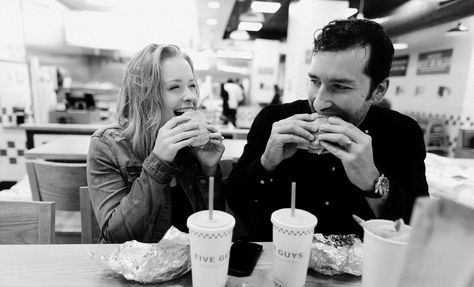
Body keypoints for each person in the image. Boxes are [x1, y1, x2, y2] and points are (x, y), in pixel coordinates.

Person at [226, 19, 428, 240]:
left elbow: (418, 229)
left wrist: (372, 183)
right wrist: (266, 163)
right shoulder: (273, 120)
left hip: (361, 270)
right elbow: (235, 201)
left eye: (340, 86)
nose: (320, 103)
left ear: (378, 90)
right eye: (315, 81)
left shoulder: (403, 133)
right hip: (278, 259)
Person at [87, 44, 225, 243]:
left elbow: (213, 230)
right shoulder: (108, 146)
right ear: (144, 96)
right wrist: (158, 162)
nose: (191, 96)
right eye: (174, 87)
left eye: (192, 85)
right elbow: (115, 238)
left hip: (190, 266)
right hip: (135, 269)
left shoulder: (191, 146)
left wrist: (208, 170)